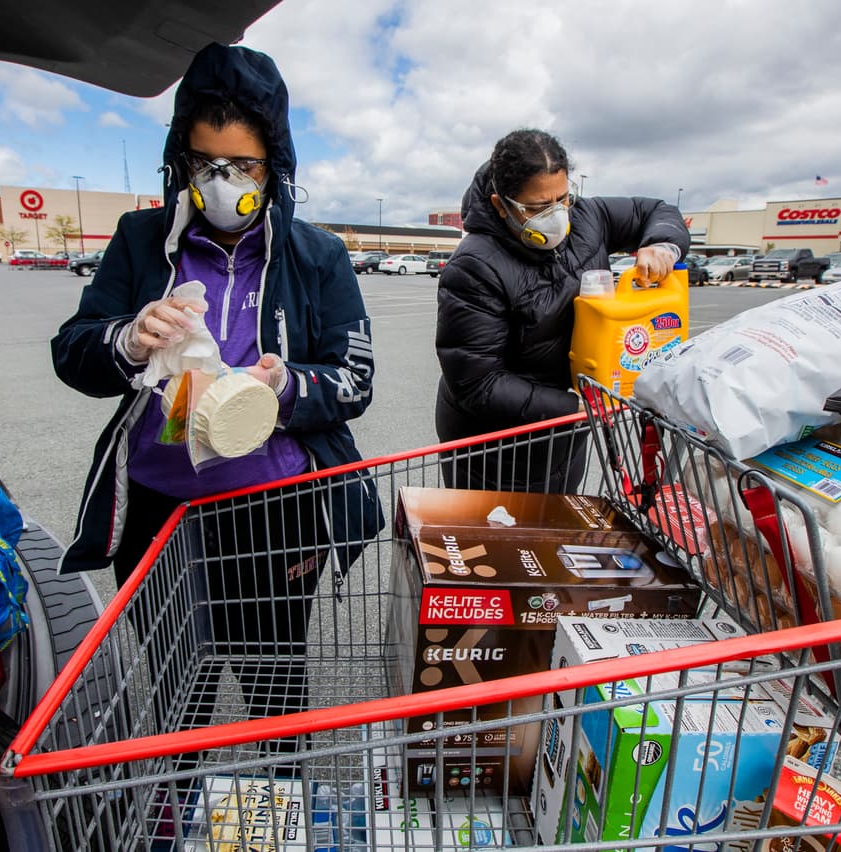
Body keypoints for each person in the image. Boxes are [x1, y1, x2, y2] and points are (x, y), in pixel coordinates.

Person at [51, 43, 381, 727]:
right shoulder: (143, 241)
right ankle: (178, 800)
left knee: (274, 688)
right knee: (177, 692)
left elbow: (355, 380)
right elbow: (73, 351)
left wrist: (284, 386)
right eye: (206, 163)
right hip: (158, 511)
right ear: (183, 160)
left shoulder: (317, 256)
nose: (223, 181)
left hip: (272, 516)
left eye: (243, 164)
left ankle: (280, 797)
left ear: (275, 164)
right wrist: (129, 336)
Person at [435, 128, 690, 492]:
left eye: (562, 199)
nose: (557, 216)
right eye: (539, 208)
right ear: (500, 205)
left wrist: (662, 245)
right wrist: (577, 409)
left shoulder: (589, 217)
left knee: (554, 524)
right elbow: (478, 382)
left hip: (564, 437)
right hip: (495, 448)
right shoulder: (475, 267)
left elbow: (655, 211)